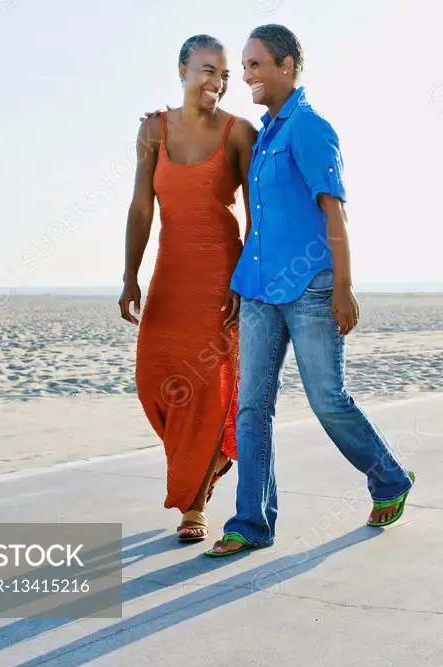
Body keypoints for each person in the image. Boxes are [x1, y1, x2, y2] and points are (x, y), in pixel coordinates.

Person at [202, 25, 415, 558]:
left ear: (288, 65)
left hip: (311, 288)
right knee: (251, 407)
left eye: (255, 65)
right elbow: (264, 220)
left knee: (326, 398)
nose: (246, 76)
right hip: (258, 292)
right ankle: (250, 522)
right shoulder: (267, 134)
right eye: (244, 66)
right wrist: (238, 283)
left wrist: (344, 287)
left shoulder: (311, 129)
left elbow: (333, 210)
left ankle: (388, 478)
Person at [119, 34, 258, 543]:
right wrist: (130, 275)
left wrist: (243, 279)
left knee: (208, 390)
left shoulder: (239, 133)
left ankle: (192, 505)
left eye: (223, 75)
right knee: (154, 377)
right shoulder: (153, 131)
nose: (217, 83)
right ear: (182, 70)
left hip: (220, 275)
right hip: (169, 274)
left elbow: (254, 215)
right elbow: (141, 208)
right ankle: (212, 459)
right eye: (206, 71)